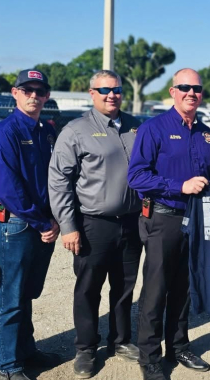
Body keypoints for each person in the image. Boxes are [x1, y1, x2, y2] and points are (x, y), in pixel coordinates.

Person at [127, 68, 210, 380]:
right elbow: (137, 176)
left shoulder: (207, 134)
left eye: (196, 88)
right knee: (156, 290)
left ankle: (179, 345)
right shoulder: (153, 128)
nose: (191, 93)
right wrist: (179, 186)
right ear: (172, 91)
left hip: (196, 222)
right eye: (184, 87)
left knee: (184, 288)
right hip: (163, 218)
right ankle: (150, 356)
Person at [48, 70, 143, 378]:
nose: (111, 95)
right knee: (88, 289)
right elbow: (59, 180)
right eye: (103, 90)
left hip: (131, 222)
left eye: (115, 90)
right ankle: (86, 348)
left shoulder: (135, 126)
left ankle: (120, 340)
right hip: (93, 224)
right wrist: (68, 225)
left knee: (125, 287)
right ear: (92, 93)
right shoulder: (76, 130)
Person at [0, 69, 61, 380]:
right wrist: (42, 220)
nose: (34, 95)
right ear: (14, 93)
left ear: (46, 96)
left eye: (40, 91)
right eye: (27, 89)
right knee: (11, 296)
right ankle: (8, 365)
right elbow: (7, 188)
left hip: (43, 222)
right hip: (16, 224)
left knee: (27, 292)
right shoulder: (5, 132)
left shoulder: (45, 131)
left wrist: (54, 217)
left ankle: (26, 351)